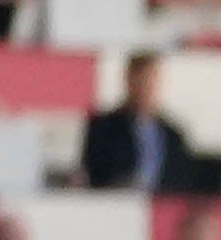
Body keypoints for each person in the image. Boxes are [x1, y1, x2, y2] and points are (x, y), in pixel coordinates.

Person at [83, 53, 203, 195]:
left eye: (151, 80)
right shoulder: (103, 127)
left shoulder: (173, 134)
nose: (146, 87)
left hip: (161, 209)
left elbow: (182, 179)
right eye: (142, 80)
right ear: (129, 81)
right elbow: (96, 172)